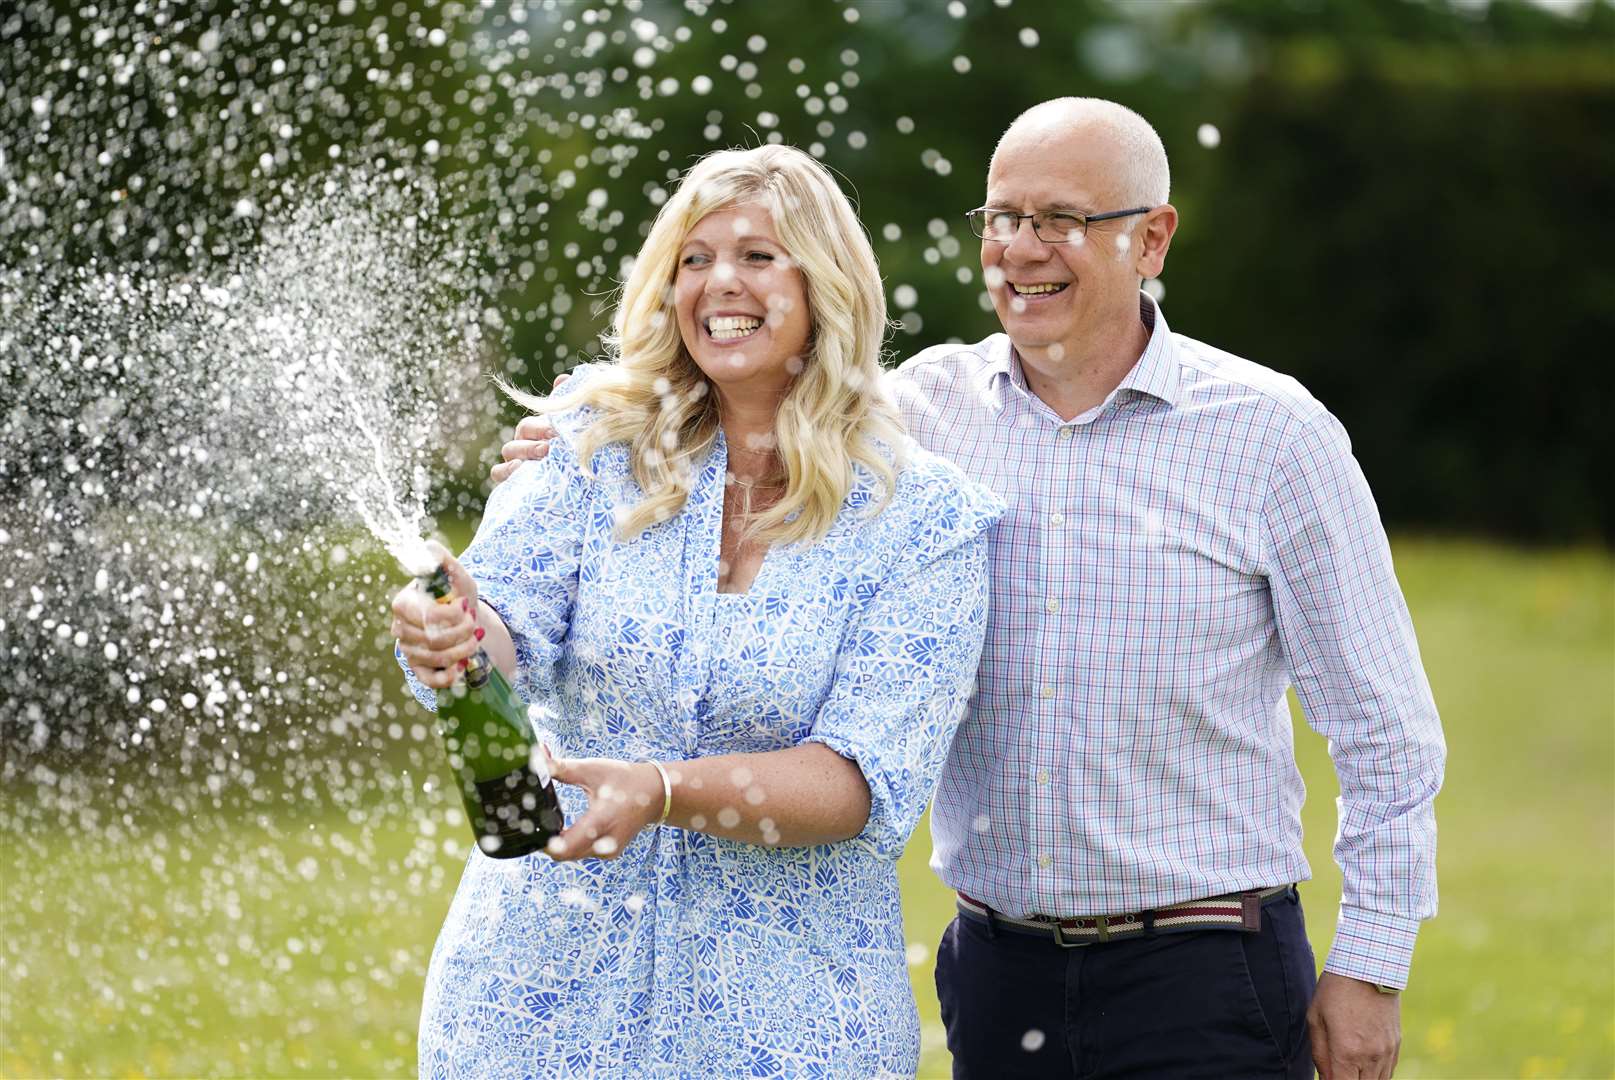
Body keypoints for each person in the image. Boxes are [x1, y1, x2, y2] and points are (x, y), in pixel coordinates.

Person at [500, 99, 1445, 1080]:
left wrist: (1370, 969)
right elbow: (741, 422)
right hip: (997, 974)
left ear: (1151, 237)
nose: (1020, 249)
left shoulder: (1269, 436)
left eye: (1060, 221)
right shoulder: (910, 421)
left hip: (1205, 972)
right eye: (1001, 218)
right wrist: (582, 444)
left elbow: (1380, 723)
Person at [392, 143, 1003, 1078]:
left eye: (759, 256)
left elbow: (857, 783)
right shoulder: (589, 445)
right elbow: (506, 632)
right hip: (537, 999)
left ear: (824, 283)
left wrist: (666, 791)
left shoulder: (922, 518)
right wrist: (458, 627)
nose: (721, 281)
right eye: (694, 257)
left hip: (786, 1022)